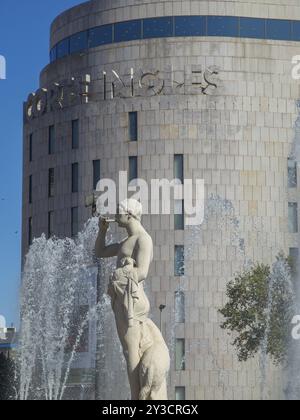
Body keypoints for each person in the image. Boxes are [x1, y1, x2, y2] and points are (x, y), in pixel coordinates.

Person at [95, 199, 156, 399]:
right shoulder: (126, 241)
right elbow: (100, 252)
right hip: (122, 299)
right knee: (128, 351)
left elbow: (143, 272)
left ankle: (136, 397)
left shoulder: (143, 239)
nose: (115, 215)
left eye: (118, 211)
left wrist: (119, 275)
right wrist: (102, 231)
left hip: (133, 301)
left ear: (129, 214)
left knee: (131, 351)